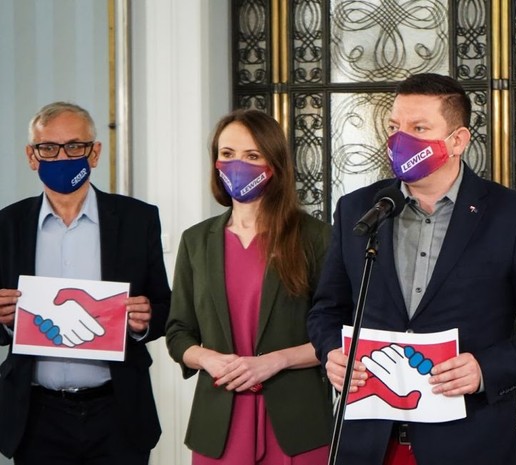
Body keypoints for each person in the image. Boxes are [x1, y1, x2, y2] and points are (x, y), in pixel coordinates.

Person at [307, 73, 516, 465]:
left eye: (419, 129)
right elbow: (325, 311)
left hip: (469, 441)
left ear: (458, 140)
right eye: (394, 128)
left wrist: (485, 369)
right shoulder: (359, 209)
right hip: (369, 442)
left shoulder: (513, 215)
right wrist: (332, 351)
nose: (400, 140)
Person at [0, 102, 171, 464]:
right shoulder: (7, 225)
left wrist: (145, 321)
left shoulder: (137, 219)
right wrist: (4, 319)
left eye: (74, 146)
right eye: (49, 148)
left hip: (117, 412)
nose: (62, 157)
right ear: (32, 156)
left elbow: (164, 306)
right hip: (36, 417)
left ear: (94, 153)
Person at [165, 109, 333, 464]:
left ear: (274, 164)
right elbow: (178, 332)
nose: (237, 165)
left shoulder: (315, 237)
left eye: (252, 155)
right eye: (227, 154)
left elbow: (337, 334)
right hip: (219, 423)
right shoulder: (196, 241)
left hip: (298, 425)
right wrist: (208, 359)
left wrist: (276, 361)